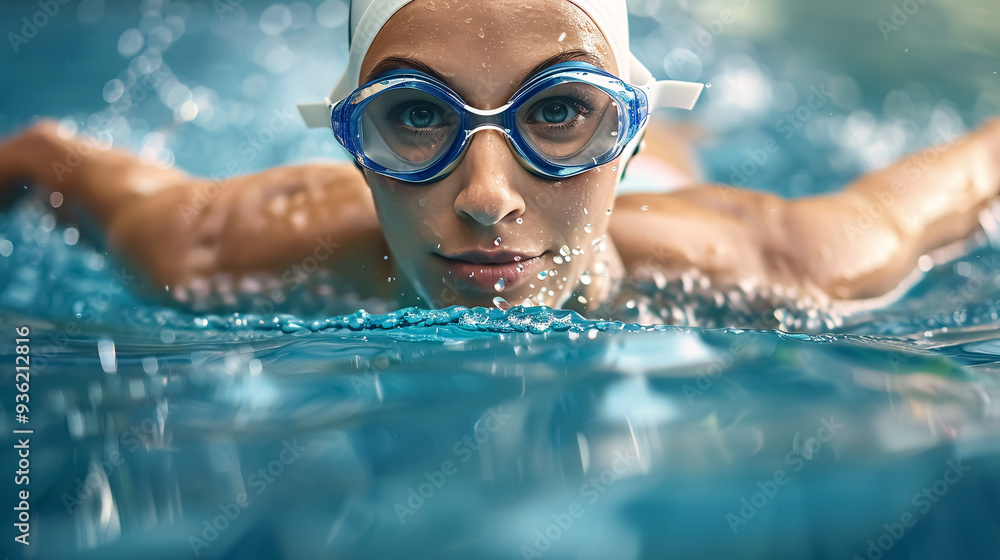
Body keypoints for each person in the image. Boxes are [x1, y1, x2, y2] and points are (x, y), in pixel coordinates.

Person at [0, 0, 998, 318]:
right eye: (415, 119)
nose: (484, 201)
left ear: (632, 130)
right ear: (351, 142)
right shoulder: (214, 248)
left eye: (563, 110)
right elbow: (38, 154)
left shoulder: (788, 258)